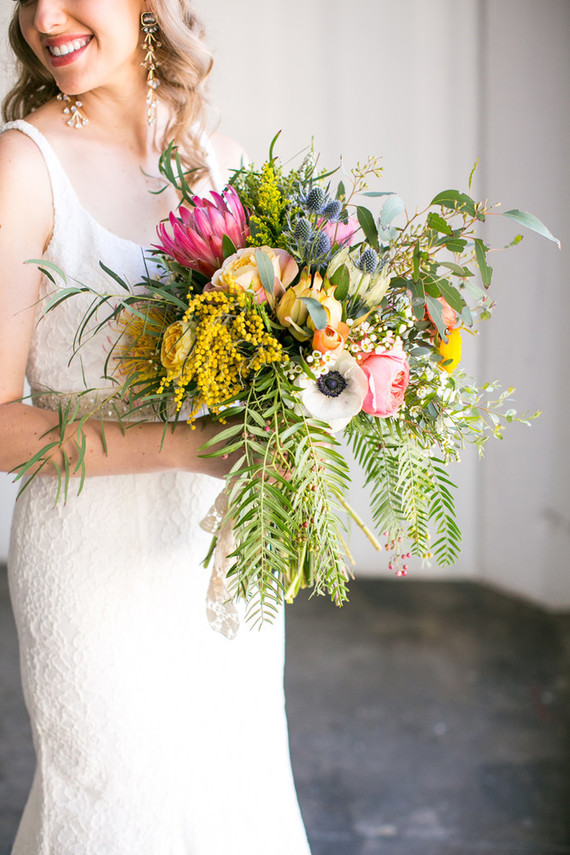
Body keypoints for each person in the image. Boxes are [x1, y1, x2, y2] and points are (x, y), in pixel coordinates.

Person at [0, 2, 312, 853]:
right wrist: (186, 446)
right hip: (89, 566)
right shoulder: (24, 168)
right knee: (113, 813)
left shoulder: (224, 162)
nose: (42, 18)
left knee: (233, 797)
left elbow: (263, 367)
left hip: (215, 554)